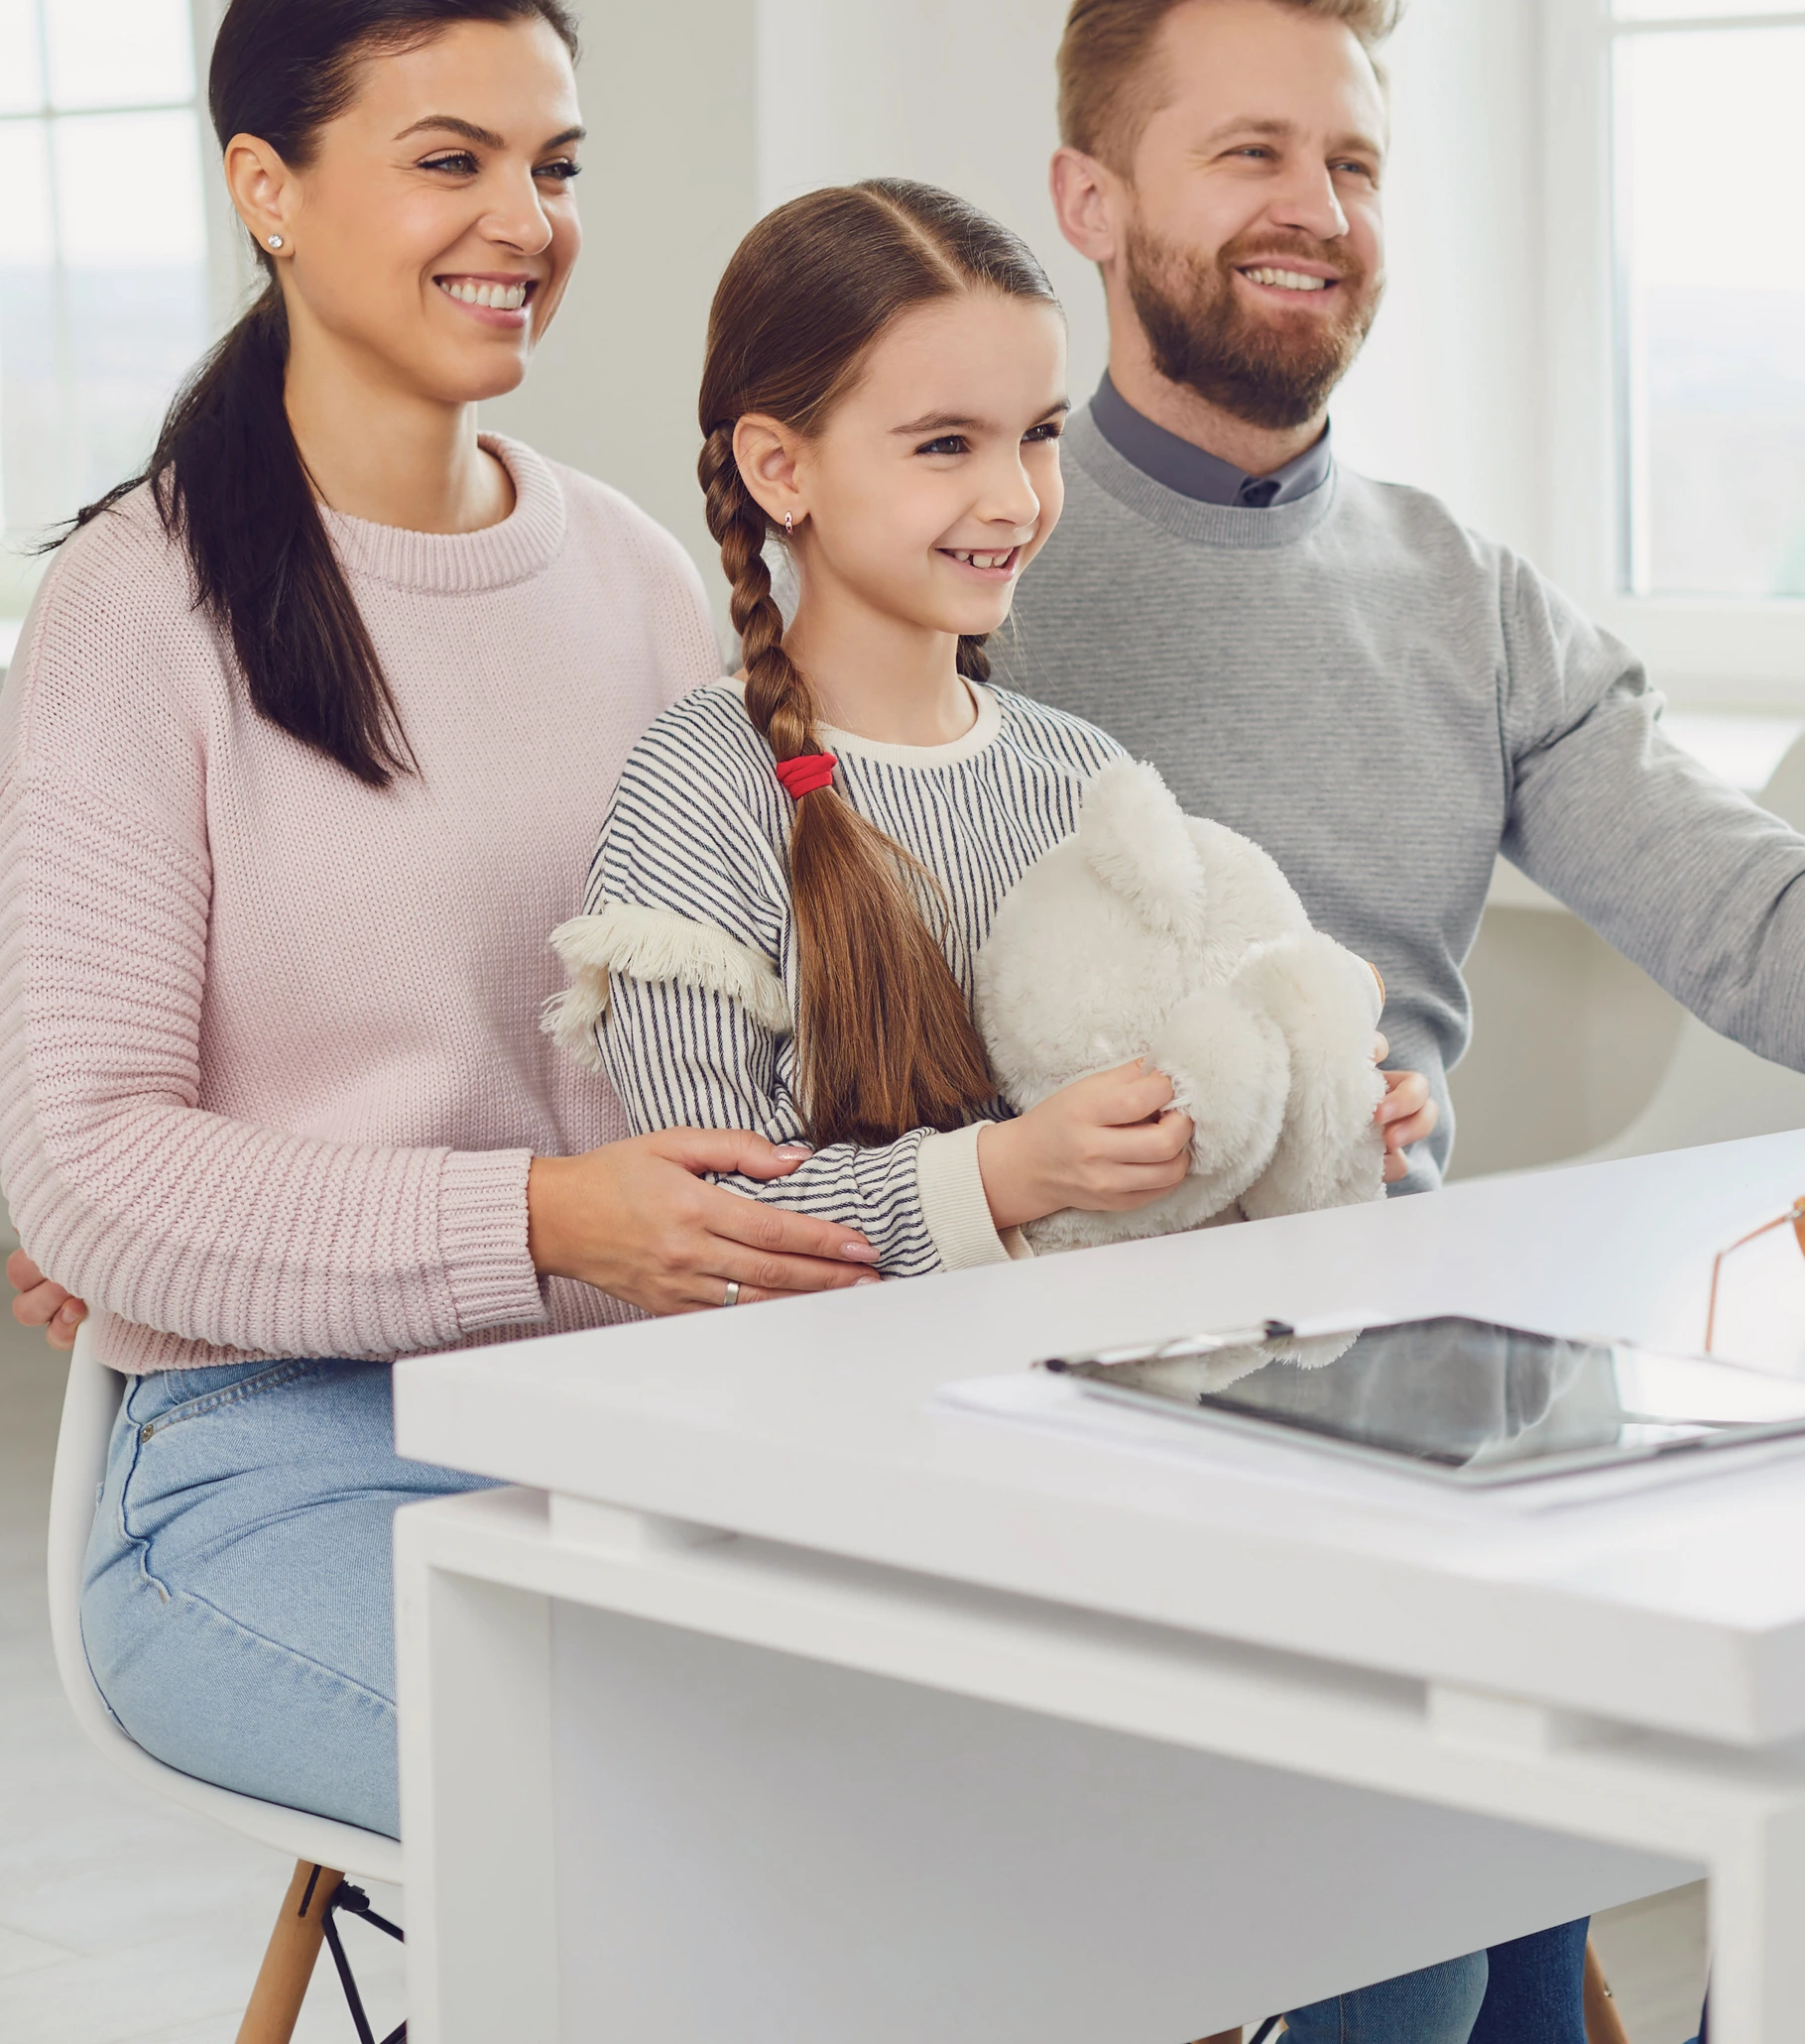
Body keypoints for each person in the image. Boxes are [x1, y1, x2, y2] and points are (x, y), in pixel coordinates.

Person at [991, 0, 1805, 2044]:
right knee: (1459, 1913)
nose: (1316, 210)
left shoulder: (1454, 586)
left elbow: (1722, 882)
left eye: (1355, 166)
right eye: (1249, 152)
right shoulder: (985, 544)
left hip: (1414, 1370)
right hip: (1101, 1384)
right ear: (1092, 198)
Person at [552, 175, 1477, 2043]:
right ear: (782, 467)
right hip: (837, 1511)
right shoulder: (693, 799)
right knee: (1361, 1869)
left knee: (1459, 1841)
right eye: (948, 443)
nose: (1013, 498)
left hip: (1113, 1462)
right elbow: (711, 1250)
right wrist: (1008, 1179)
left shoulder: (1084, 772)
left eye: (1039, 438)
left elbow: (1205, 1120)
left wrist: (1319, 1127)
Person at [0, 0, 876, 1838]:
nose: (525, 218)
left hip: (666, 1422)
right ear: (268, 188)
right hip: (274, 1464)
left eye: (554, 167)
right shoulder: (136, 609)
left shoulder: (641, 575)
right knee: (742, 1818)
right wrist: (544, 1218)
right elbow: (91, 1169)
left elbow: (796, 1022)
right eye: (450, 159)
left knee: (1291, 1745)